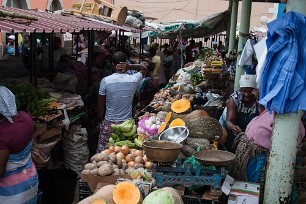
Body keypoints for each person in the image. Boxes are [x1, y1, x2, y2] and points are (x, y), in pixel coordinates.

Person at [230, 109, 305, 182]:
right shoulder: (275, 110)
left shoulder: (293, 122)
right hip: (253, 151)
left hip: (263, 155)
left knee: (255, 184)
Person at [97, 52, 147, 152]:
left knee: (104, 154)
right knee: (125, 154)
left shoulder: (105, 81)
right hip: (127, 125)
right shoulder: (133, 79)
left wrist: (100, 121)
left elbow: (100, 105)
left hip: (109, 123)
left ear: (112, 64)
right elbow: (144, 68)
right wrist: (130, 66)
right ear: (125, 63)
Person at [0, 86, 38, 203]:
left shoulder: (2, 134)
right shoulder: (26, 117)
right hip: (30, 181)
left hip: (11, 192)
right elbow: (33, 131)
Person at [225, 74, 260, 152]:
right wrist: (233, 127)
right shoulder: (234, 99)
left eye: (250, 91)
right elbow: (229, 121)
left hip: (251, 136)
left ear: (255, 91)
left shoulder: (258, 100)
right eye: (244, 91)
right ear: (240, 90)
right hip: (235, 133)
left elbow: (262, 117)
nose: (246, 94)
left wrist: (258, 100)